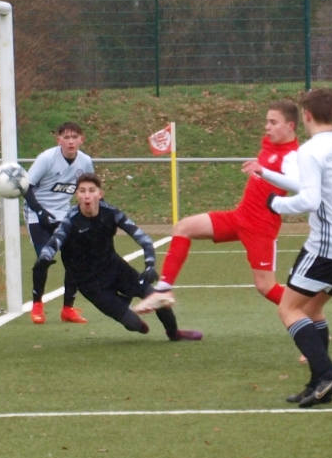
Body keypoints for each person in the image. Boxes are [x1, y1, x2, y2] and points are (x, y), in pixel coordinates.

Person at [255, 87, 332, 407]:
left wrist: (276, 204)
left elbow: (309, 200)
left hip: (328, 245)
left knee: (288, 308)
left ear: (306, 115)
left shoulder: (310, 150)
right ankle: (317, 384)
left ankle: (327, 375)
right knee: (312, 309)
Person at [151, 100, 300, 313]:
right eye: (267, 121)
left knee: (265, 286)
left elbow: (299, 184)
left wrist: (265, 172)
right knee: (184, 227)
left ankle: (308, 315)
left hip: (261, 228)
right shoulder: (271, 143)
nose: (267, 127)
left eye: (273, 122)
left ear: (290, 126)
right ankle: (163, 290)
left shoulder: (292, 157)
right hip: (239, 217)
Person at [36, 174, 201, 342]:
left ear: (100, 194)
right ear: (76, 195)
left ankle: (174, 334)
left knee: (157, 298)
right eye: (82, 191)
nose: (87, 196)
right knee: (135, 325)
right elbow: (54, 242)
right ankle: (127, 311)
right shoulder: (71, 220)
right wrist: (44, 258)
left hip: (115, 268)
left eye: (92, 190)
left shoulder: (111, 213)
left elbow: (144, 239)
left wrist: (150, 265)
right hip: (89, 283)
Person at [22, 122, 95, 325]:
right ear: (59, 140)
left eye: (74, 137)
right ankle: (37, 305)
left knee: (75, 259)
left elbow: (90, 188)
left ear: (82, 139)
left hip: (64, 214)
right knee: (44, 257)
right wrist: (40, 212)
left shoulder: (85, 161)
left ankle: (68, 309)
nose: (70, 141)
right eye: (66, 137)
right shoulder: (47, 159)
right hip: (37, 212)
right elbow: (25, 187)